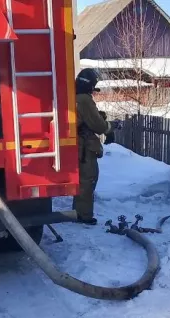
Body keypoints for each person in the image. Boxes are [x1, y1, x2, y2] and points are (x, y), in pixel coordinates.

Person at [72, 68, 115, 225]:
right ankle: (83, 215)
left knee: (83, 180)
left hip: (78, 144)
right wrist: (110, 127)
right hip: (84, 147)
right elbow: (97, 125)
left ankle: (77, 211)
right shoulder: (84, 99)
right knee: (87, 179)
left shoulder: (75, 96)